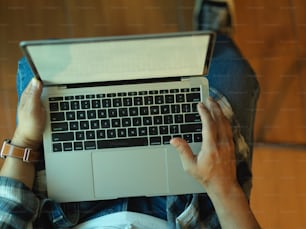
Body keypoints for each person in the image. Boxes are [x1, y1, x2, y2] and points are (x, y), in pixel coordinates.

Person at [1, 1, 261, 228]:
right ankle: (213, 36)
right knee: (229, 68)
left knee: (44, 62)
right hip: (188, 210)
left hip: (66, 211)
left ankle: (196, 48)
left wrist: (24, 141)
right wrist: (223, 188)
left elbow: (8, 218)